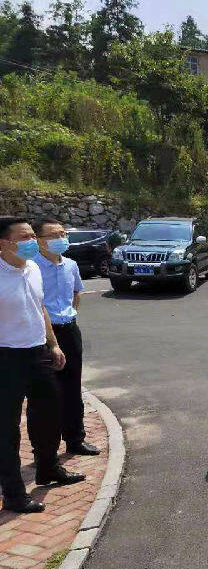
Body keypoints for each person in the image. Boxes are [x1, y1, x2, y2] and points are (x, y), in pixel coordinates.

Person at [0, 217, 85, 514]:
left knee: (48, 413)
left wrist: (53, 344)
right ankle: (13, 493)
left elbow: (41, 310)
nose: (31, 241)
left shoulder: (33, 268)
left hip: (39, 353)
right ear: (4, 243)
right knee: (7, 428)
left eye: (33, 236)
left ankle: (47, 468)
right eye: (24, 237)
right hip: (7, 357)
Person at [33, 220, 99, 457]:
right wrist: (52, 339)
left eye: (62, 233)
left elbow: (76, 293)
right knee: (49, 393)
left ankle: (75, 439)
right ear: (39, 240)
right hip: (43, 336)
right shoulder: (32, 268)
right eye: (53, 235)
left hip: (69, 330)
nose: (61, 238)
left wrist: (69, 317)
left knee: (73, 387)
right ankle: (47, 454)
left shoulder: (70, 265)